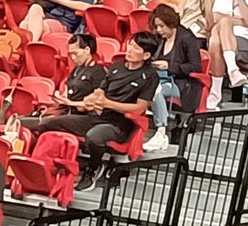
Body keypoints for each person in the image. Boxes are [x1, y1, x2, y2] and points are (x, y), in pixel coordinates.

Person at [34, 32, 159, 192]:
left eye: (135, 48)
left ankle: (92, 169)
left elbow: (139, 108)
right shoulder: (117, 67)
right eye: (130, 45)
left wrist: (108, 103)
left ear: (146, 55)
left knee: (94, 136)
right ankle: (49, 168)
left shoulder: (150, 76)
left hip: (119, 125)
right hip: (98, 117)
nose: (129, 49)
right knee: (48, 123)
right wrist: (92, 98)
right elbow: (101, 90)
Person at [144, 4, 202, 152]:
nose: (159, 30)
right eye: (157, 26)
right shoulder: (159, 38)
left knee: (155, 90)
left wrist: (169, 66)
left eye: (162, 26)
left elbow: (195, 66)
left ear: (171, 23)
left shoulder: (187, 38)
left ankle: (161, 132)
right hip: (159, 78)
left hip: (181, 82)